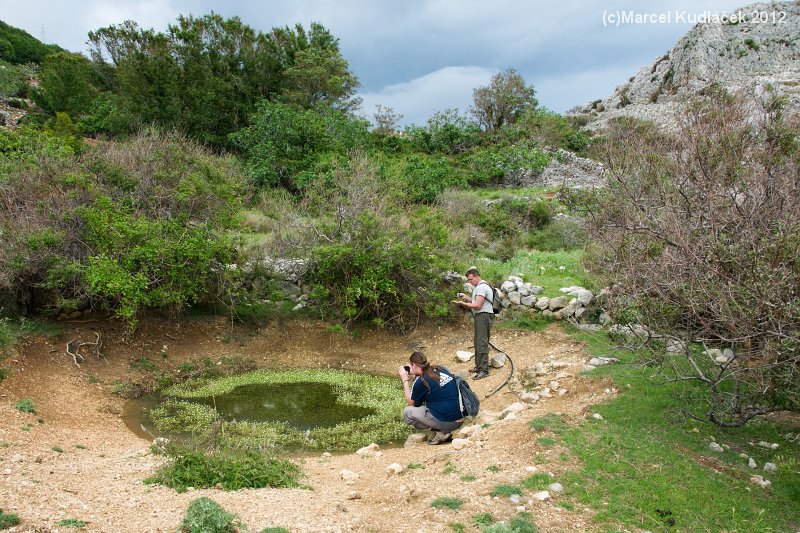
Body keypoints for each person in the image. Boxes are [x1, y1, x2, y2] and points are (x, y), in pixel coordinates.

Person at [399, 351, 464, 445]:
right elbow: (433, 384)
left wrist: (405, 379)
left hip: (450, 423)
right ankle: (443, 430)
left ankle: (441, 432)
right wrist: (415, 376)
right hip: (460, 418)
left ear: (414, 365)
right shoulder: (440, 368)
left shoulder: (421, 382)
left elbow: (411, 403)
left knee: (407, 413)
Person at [454, 267, 494, 380]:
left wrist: (463, 303)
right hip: (480, 317)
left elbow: (477, 305)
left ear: (476, 276)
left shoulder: (481, 288)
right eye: (468, 280)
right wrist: (466, 297)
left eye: (470, 279)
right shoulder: (479, 288)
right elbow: (476, 301)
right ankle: (479, 366)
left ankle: (484, 370)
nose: (470, 282)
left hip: (483, 316)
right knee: (477, 342)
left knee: (481, 342)